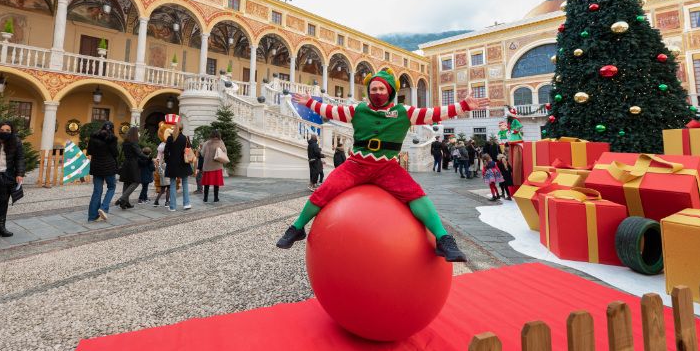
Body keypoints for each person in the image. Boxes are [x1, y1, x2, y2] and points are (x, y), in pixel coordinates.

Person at [276, 68, 489, 262]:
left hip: (387, 167)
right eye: (374, 89)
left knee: (416, 195)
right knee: (326, 189)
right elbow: (331, 111)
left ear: (389, 91)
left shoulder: (403, 111)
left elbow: (433, 113)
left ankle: (444, 240)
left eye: (381, 88)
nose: (377, 92)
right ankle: (297, 228)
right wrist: (309, 103)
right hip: (356, 164)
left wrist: (463, 106)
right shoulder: (358, 109)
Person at [86, 121, 120, 222]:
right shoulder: (112, 139)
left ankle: (92, 216)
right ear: (112, 129)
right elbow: (115, 153)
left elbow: (89, 152)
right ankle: (103, 207)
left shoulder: (93, 138)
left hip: (96, 166)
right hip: (109, 166)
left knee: (97, 191)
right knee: (111, 187)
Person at [115, 127, 150, 209]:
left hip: (126, 163)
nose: (139, 134)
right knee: (136, 181)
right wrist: (149, 158)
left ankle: (124, 203)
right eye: (138, 132)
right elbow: (139, 154)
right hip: (133, 164)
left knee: (127, 182)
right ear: (135, 133)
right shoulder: (133, 143)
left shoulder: (125, 142)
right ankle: (122, 199)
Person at [164, 123, 194, 211]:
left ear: (174, 128)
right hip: (184, 163)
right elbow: (189, 149)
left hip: (172, 164)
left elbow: (166, 151)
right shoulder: (185, 138)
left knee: (173, 184)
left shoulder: (170, 138)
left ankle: (173, 206)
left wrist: (167, 160)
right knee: (185, 183)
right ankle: (187, 204)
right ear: (182, 128)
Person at [200, 130, 227, 202]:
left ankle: (205, 198)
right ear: (219, 135)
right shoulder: (221, 142)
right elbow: (224, 152)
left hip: (207, 166)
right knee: (216, 183)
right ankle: (216, 198)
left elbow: (202, 154)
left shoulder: (206, 143)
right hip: (217, 166)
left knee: (206, 184)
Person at [154, 128, 172, 207]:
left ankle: (156, 201)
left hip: (162, 176)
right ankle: (167, 202)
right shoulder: (167, 162)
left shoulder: (161, 163)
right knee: (168, 189)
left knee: (162, 190)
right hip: (167, 176)